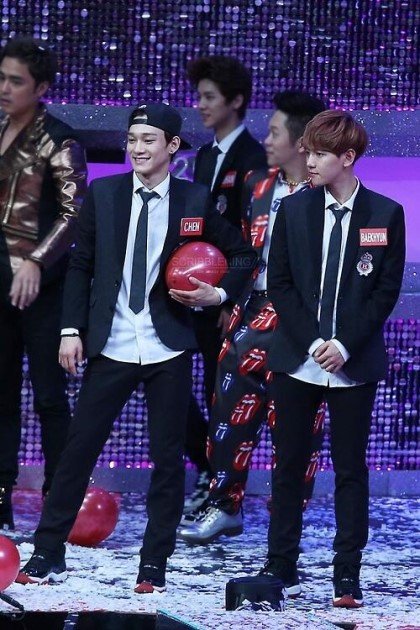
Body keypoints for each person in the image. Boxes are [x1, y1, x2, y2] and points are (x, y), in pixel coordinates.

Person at [15, 102, 257, 594]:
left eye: (149, 140)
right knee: (77, 452)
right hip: (112, 342)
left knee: (167, 461)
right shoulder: (104, 195)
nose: (138, 148)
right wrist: (70, 330)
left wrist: (218, 295)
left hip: (168, 345)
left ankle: (153, 564)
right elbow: (80, 266)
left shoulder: (194, 199)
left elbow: (243, 254)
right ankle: (47, 553)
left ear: (172, 146)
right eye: (132, 140)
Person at [259, 110, 405, 608]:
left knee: (350, 469)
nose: (309, 160)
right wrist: (314, 342)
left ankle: (347, 573)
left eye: (320, 153)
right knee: (288, 465)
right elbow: (279, 284)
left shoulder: (386, 213)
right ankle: (281, 565)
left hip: (353, 362)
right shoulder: (292, 208)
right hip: (298, 358)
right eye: (308, 150)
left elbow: (384, 292)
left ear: (347, 157)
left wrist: (343, 345)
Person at [179, 91, 326, 561]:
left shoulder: (327, 194)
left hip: (303, 319)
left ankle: (287, 528)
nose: (266, 139)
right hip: (252, 310)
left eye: (275, 132)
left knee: (296, 429)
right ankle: (225, 505)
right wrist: (227, 296)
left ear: (300, 142)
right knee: (227, 414)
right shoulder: (258, 185)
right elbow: (245, 251)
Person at [0, 36, 87, 530]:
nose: (4, 88)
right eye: (1, 78)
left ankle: (60, 502)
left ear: (41, 88)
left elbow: (75, 214)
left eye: (16, 81)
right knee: (1, 395)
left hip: (45, 289)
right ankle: (1, 501)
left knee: (50, 398)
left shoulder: (59, 139)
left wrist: (35, 261)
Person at [184, 56, 267, 512]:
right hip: (192, 293)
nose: (200, 105)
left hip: (229, 301)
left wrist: (228, 299)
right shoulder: (203, 156)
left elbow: (252, 240)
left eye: (209, 97)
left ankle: (219, 488)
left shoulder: (255, 159)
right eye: (198, 96)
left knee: (222, 397)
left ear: (236, 101)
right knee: (173, 388)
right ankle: (205, 467)